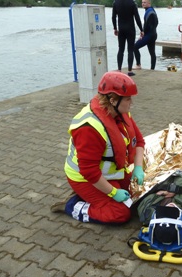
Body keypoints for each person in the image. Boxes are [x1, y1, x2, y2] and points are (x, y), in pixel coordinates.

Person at [50, 71, 145, 225]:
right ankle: (71, 205)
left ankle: (92, 195)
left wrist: (138, 168)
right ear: (113, 100)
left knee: (138, 193)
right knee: (120, 213)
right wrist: (113, 192)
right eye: (128, 99)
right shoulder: (89, 128)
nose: (131, 103)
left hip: (107, 174)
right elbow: (89, 171)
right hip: (84, 177)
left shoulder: (121, 113)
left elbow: (139, 141)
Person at [112, 0, 143, 76]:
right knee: (130, 50)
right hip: (130, 29)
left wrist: (115, 28)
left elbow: (113, 17)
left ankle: (119, 69)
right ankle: (129, 71)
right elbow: (137, 17)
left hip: (121, 29)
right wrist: (141, 29)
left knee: (121, 49)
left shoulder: (116, 2)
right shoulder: (132, 3)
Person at [134, 0, 159, 70]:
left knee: (135, 47)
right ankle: (152, 69)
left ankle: (138, 65)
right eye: (142, 2)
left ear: (149, 3)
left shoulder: (150, 13)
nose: (143, 4)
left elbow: (150, 25)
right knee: (152, 52)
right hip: (153, 34)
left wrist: (143, 34)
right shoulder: (150, 10)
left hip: (150, 35)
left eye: (145, 2)